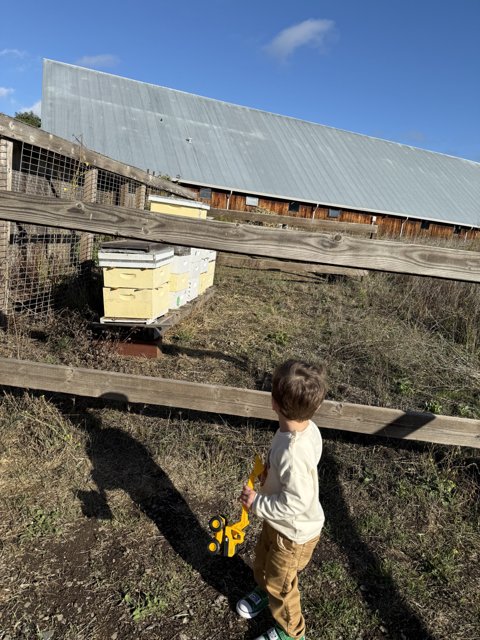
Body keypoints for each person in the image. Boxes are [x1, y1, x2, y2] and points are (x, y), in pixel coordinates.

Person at [238, 359, 327, 640]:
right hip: (279, 524)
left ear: (274, 402)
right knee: (263, 560)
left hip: (293, 534)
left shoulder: (293, 451)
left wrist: (257, 503)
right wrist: (270, 477)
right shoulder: (304, 428)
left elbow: (297, 502)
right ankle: (264, 591)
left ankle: (291, 632)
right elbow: (295, 475)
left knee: (283, 584)